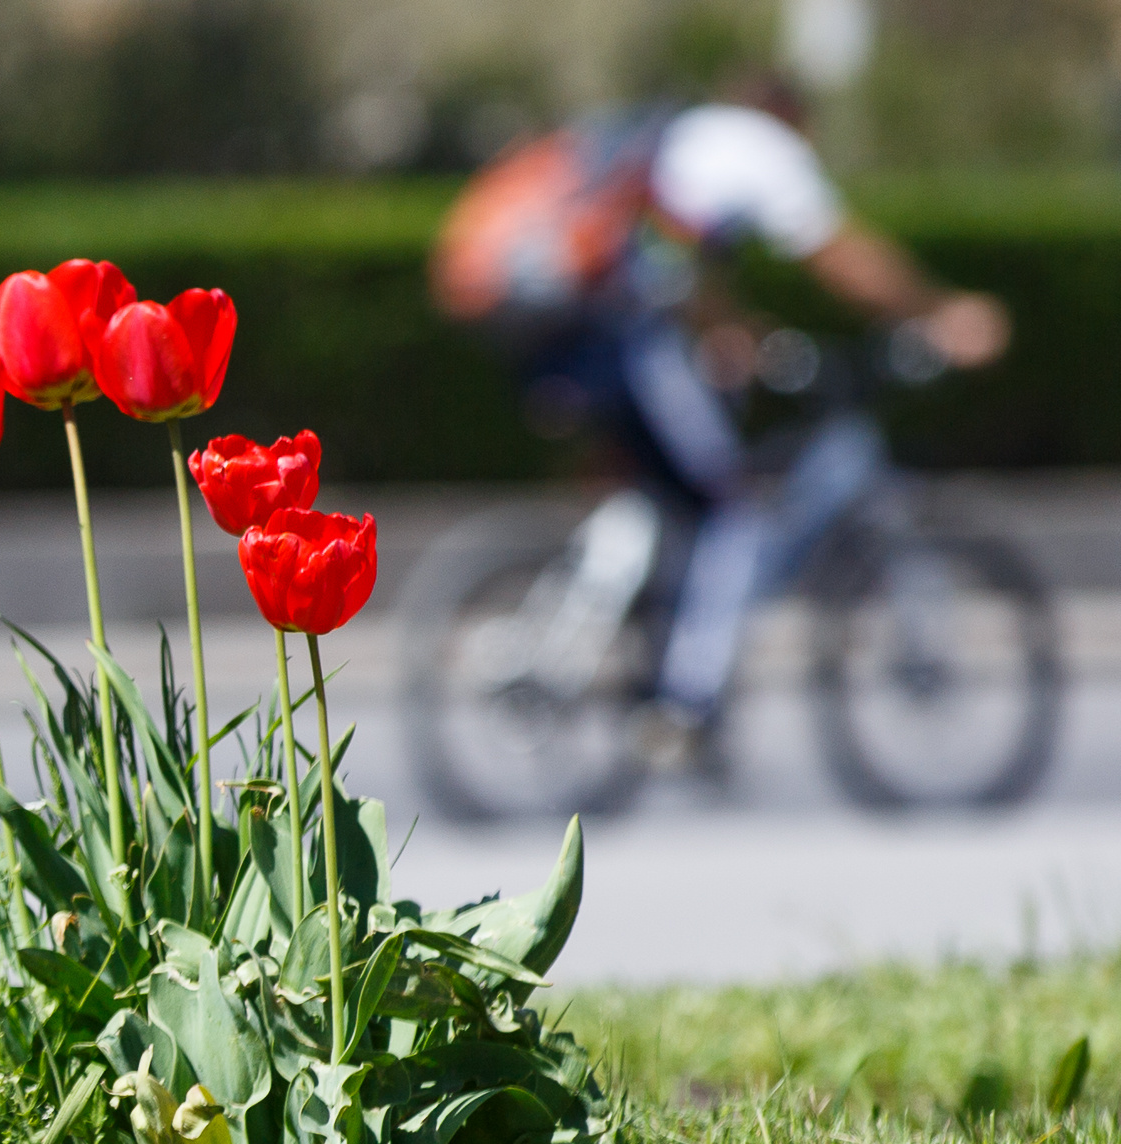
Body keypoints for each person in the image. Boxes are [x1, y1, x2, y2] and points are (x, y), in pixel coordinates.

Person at [430, 77, 1009, 767]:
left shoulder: (687, 141)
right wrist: (936, 312)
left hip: (578, 332)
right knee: (733, 503)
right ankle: (688, 704)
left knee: (682, 485)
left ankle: (655, 638)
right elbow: (838, 253)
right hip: (622, 336)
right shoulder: (755, 146)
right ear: (791, 120)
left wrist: (730, 332)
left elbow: (673, 255)